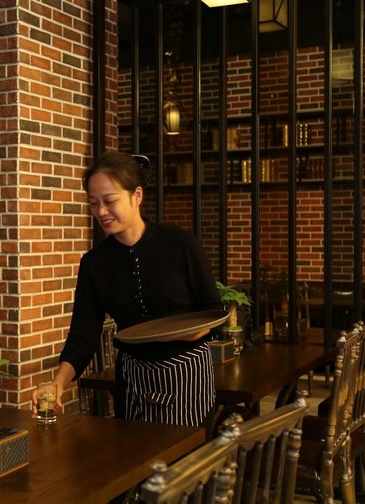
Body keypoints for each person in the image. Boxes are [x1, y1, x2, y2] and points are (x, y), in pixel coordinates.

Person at [32, 151, 223, 426]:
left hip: (187, 372)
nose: (101, 212)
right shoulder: (94, 263)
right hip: (133, 377)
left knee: (186, 452)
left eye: (110, 201)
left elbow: (212, 311)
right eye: (93, 203)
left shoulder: (180, 244)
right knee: (133, 450)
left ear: (137, 196)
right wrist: (58, 383)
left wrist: (172, 336)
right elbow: (83, 336)